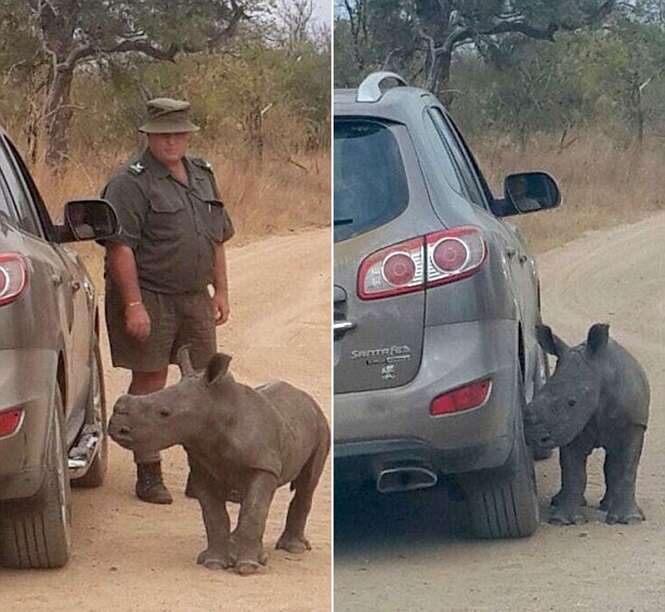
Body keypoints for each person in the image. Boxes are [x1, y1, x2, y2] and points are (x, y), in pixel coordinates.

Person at [101, 98, 234, 504]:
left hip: (194, 297)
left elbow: (215, 236)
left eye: (179, 133)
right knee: (150, 380)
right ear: (148, 135)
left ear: (188, 134)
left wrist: (222, 290)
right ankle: (148, 471)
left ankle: (206, 474)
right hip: (151, 296)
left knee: (205, 382)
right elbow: (119, 248)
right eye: (163, 134)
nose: (171, 141)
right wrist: (133, 305)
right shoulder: (130, 182)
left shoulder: (201, 173)